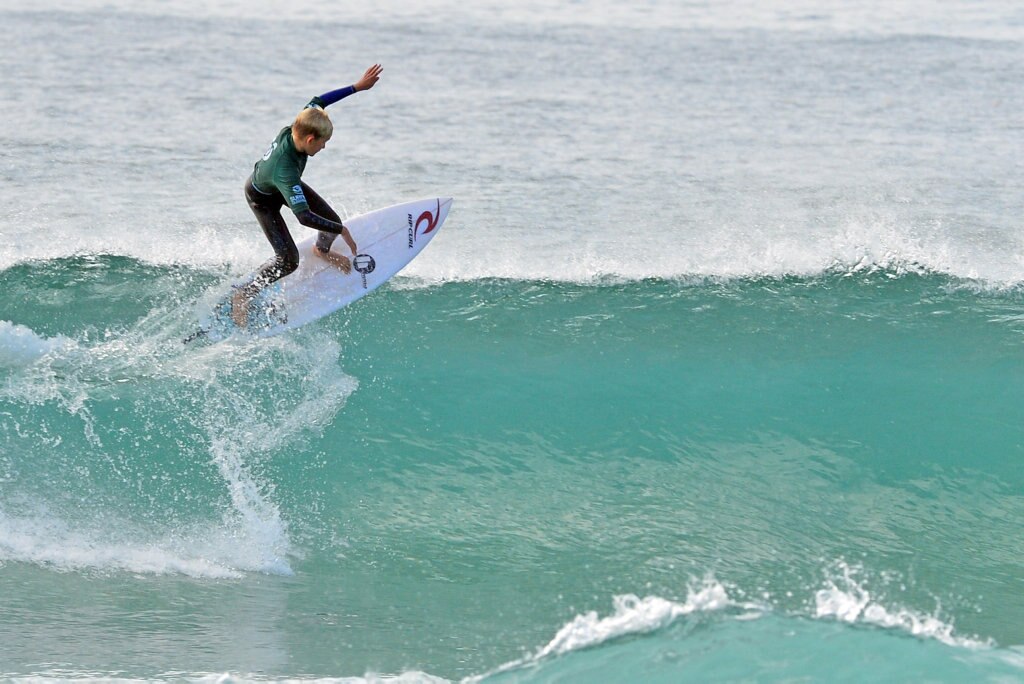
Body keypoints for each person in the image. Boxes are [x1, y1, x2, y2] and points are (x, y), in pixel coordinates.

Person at [232, 64, 384, 326]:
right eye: (323, 142)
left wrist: (357, 87)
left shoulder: (301, 124)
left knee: (330, 220)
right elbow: (303, 216)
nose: (324, 147)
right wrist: (342, 230)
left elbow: (320, 101)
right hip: (262, 198)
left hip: (277, 182)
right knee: (288, 261)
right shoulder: (286, 170)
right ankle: (244, 293)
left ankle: (320, 250)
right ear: (311, 138)